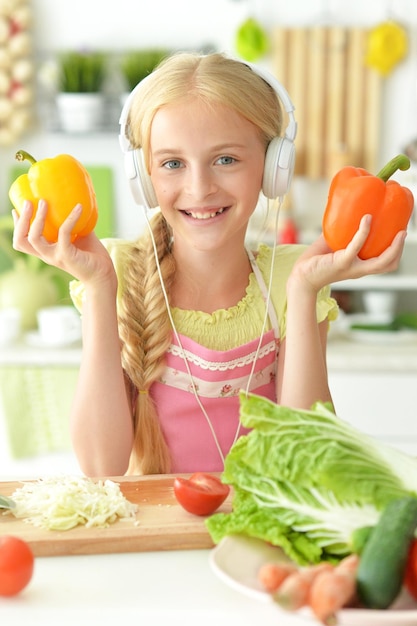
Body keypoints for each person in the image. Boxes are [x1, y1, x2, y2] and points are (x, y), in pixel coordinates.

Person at [12, 52, 406, 477]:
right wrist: (99, 287)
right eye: (172, 164)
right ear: (144, 178)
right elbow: (100, 466)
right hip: (156, 536)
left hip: (261, 533)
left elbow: (307, 459)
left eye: (226, 159)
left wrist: (305, 290)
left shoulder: (289, 281)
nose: (199, 188)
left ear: (274, 169)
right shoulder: (119, 274)